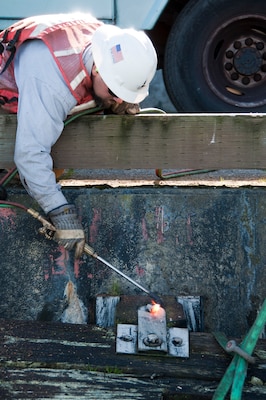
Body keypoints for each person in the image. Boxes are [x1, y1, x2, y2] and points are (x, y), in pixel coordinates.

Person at [0, 14, 157, 258]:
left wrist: (112, 101)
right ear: (97, 68)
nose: (119, 100)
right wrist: (60, 211)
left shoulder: (107, 45)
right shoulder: (52, 83)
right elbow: (29, 154)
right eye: (115, 92)